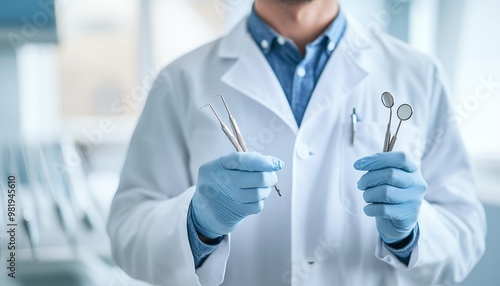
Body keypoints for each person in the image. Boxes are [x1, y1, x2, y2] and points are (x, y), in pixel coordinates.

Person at [107, 0, 486, 285]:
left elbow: (466, 233)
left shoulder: (417, 74)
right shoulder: (180, 81)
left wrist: (411, 232)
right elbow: (127, 230)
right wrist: (197, 222)